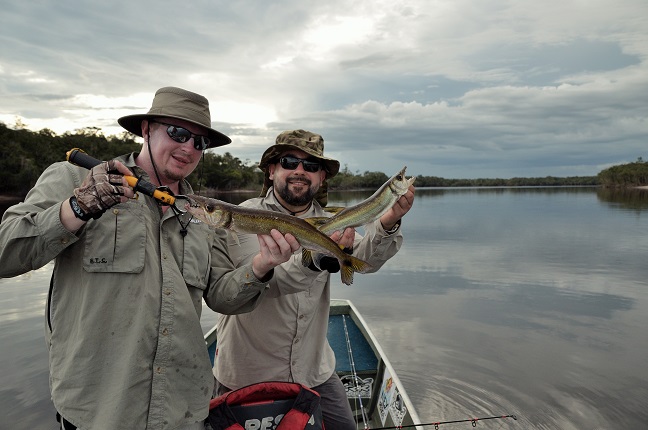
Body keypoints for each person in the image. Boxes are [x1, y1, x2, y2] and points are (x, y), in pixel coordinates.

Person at [0, 87, 300, 430]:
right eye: (178, 133)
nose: (189, 147)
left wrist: (262, 265)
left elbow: (220, 296)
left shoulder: (203, 213)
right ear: (146, 129)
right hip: (100, 411)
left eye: (200, 142)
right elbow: (5, 253)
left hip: (183, 411)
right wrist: (77, 208)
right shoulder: (74, 178)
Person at [212, 129, 415, 429]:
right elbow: (268, 284)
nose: (300, 171)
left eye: (311, 166)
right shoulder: (244, 217)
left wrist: (386, 222)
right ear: (271, 170)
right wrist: (318, 258)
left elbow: (363, 261)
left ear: (321, 178)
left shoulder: (330, 220)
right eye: (289, 161)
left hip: (314, 371)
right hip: (247, 374)